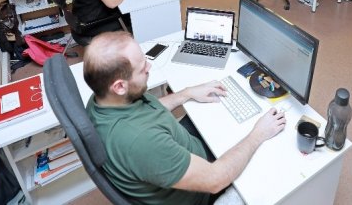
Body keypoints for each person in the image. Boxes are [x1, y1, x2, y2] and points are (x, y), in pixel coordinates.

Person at [84, 31, 286, 204]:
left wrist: (186, 94)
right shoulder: (141, 142)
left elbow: (147, 112)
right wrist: (258, 135)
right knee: (271, 167)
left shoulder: (102, 99)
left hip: (181, 152)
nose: (149, 67)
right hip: (201, 190)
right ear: (119, 86)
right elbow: (215, 180)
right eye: (142, 68)